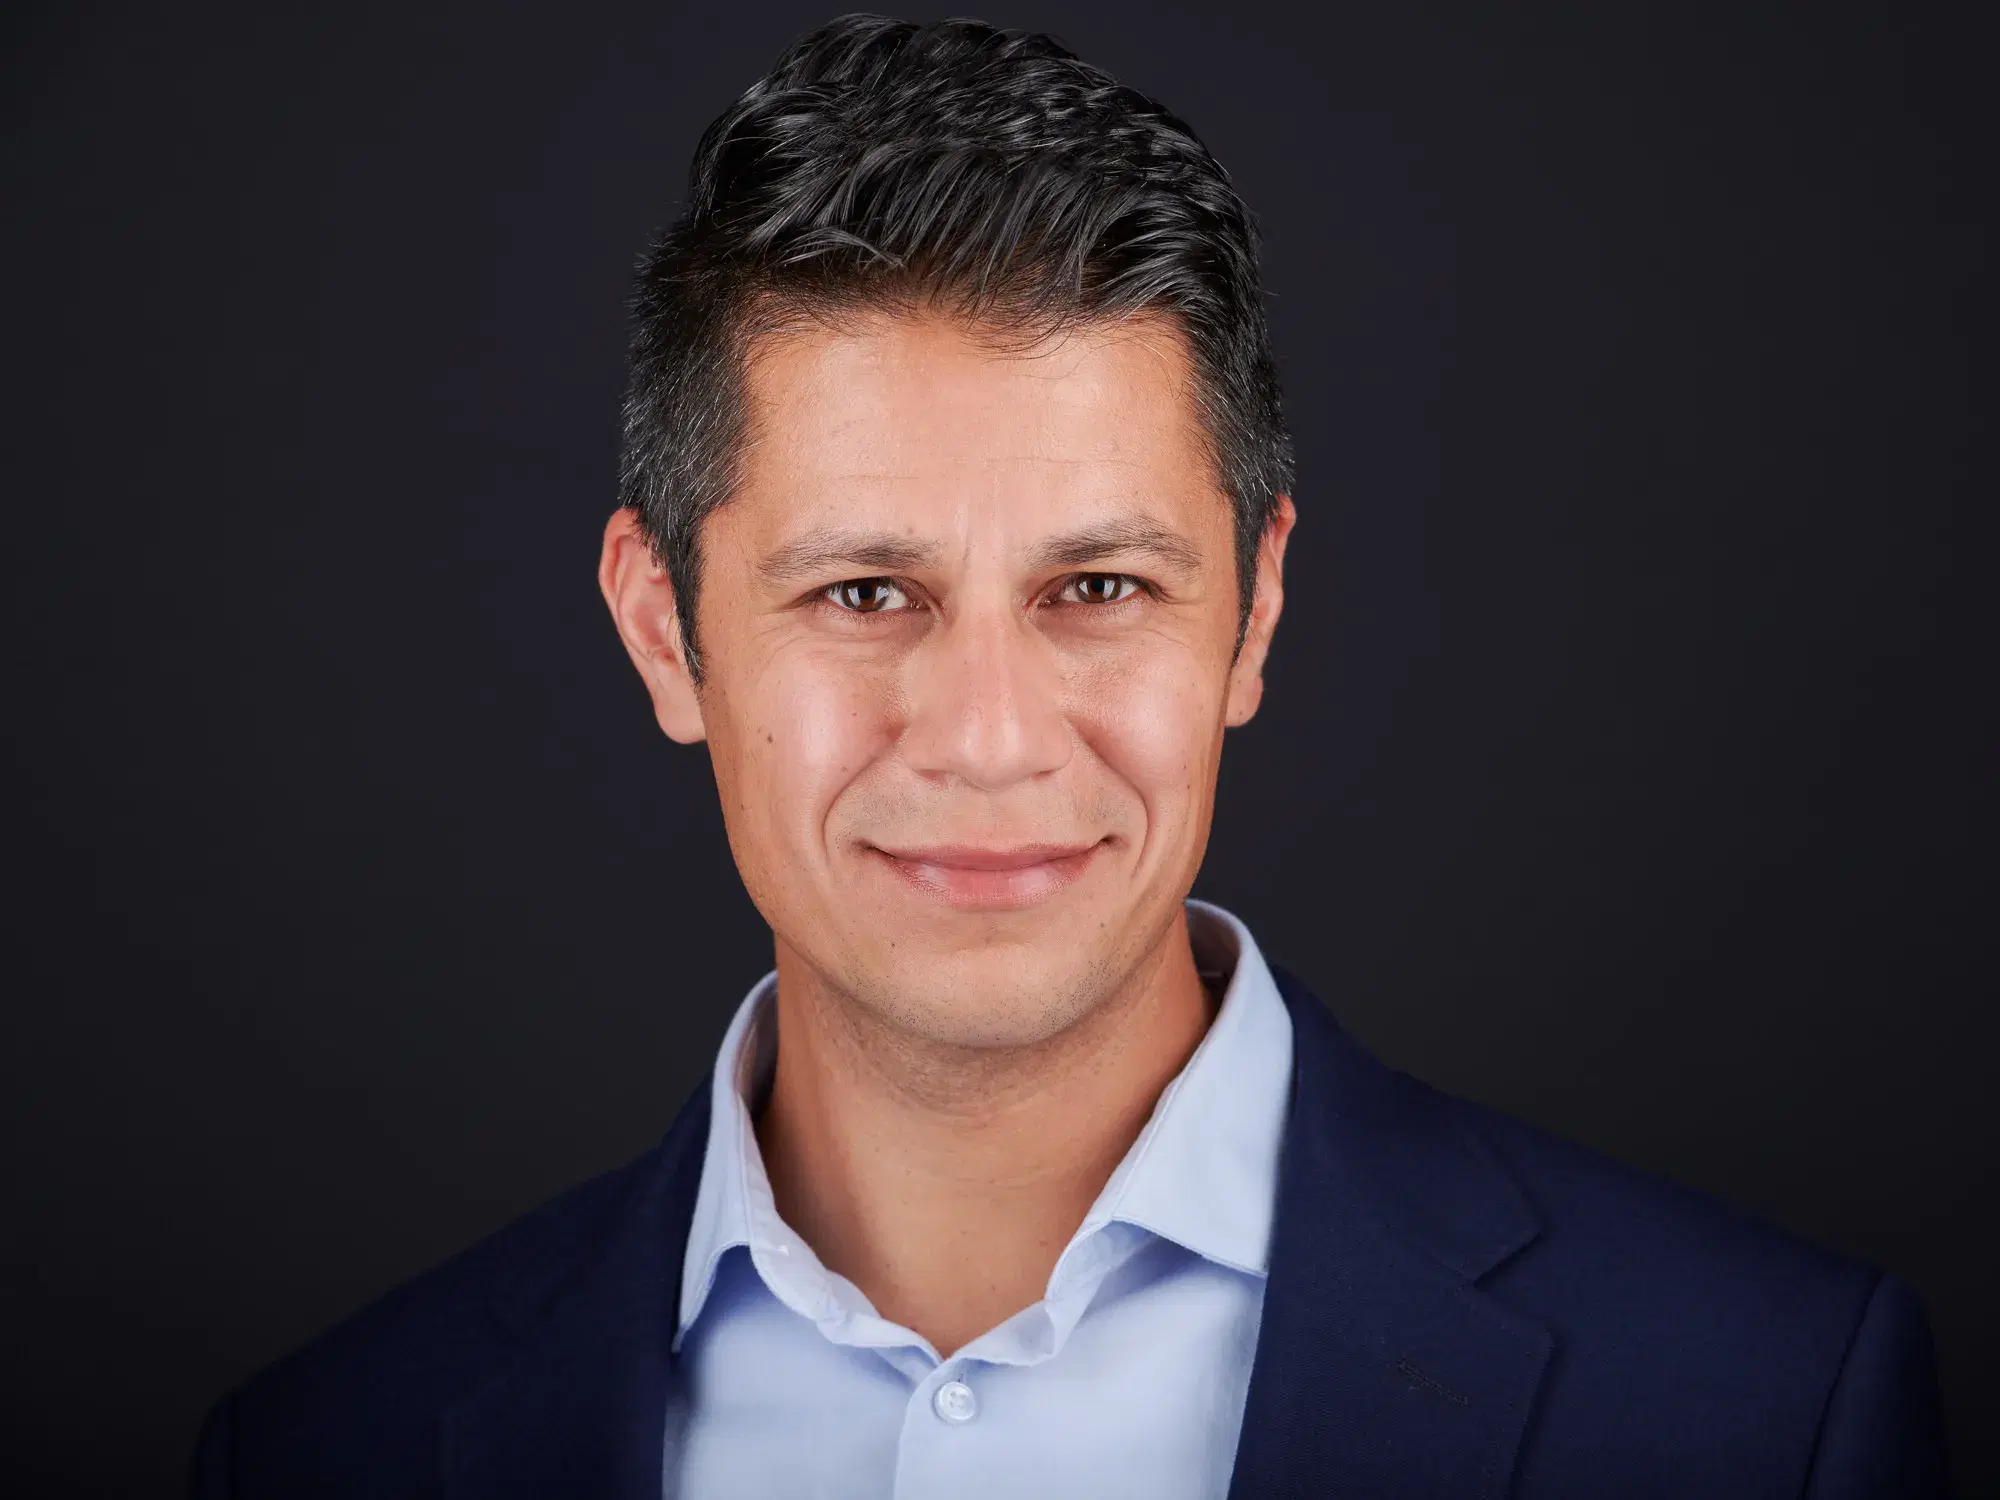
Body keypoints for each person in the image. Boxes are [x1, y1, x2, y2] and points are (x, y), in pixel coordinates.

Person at [190, 15, 1949, 1498]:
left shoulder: (1761, 1410)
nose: (988, 737)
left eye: (1097, 585)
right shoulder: (328, 1449)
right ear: (667, 631)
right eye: (867, 590)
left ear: (1253, 617)